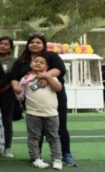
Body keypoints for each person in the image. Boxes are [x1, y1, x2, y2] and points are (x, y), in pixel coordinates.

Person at [10, 33, 72, 164]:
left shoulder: (51, 56)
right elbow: (14, 77)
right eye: (32, 42)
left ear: (43, 44)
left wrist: (45, 76)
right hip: (32, 100)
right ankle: (36, 156)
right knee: (35, 129)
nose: (34, 44)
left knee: (60, 125)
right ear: (28, 44)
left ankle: (65, 153)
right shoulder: (21, 60)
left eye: (38, 42)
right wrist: (16, 88)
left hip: (54, 97)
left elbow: (59, 69)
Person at [18, 55, 64, 170]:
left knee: (53, 137)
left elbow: (58, 88)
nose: (38, 63)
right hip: (32, 113)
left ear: (47, 67)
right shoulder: (25, 79)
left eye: (42, 62)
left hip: (51, 113)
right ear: (31, 64)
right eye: (35, 61)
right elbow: (20, 94)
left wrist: (47, 77)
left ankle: (57, 159)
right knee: (33, 137)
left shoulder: (51, 77)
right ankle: (36, 159)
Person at [0, 36, 20, 157]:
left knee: (6, 120)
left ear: (10, 48)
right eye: (0, 43)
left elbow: (16, 77)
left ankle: (7, 147)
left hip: (8, 93)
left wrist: (6, 88)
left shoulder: (14, 61)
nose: (2, 46)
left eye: (6, 44)